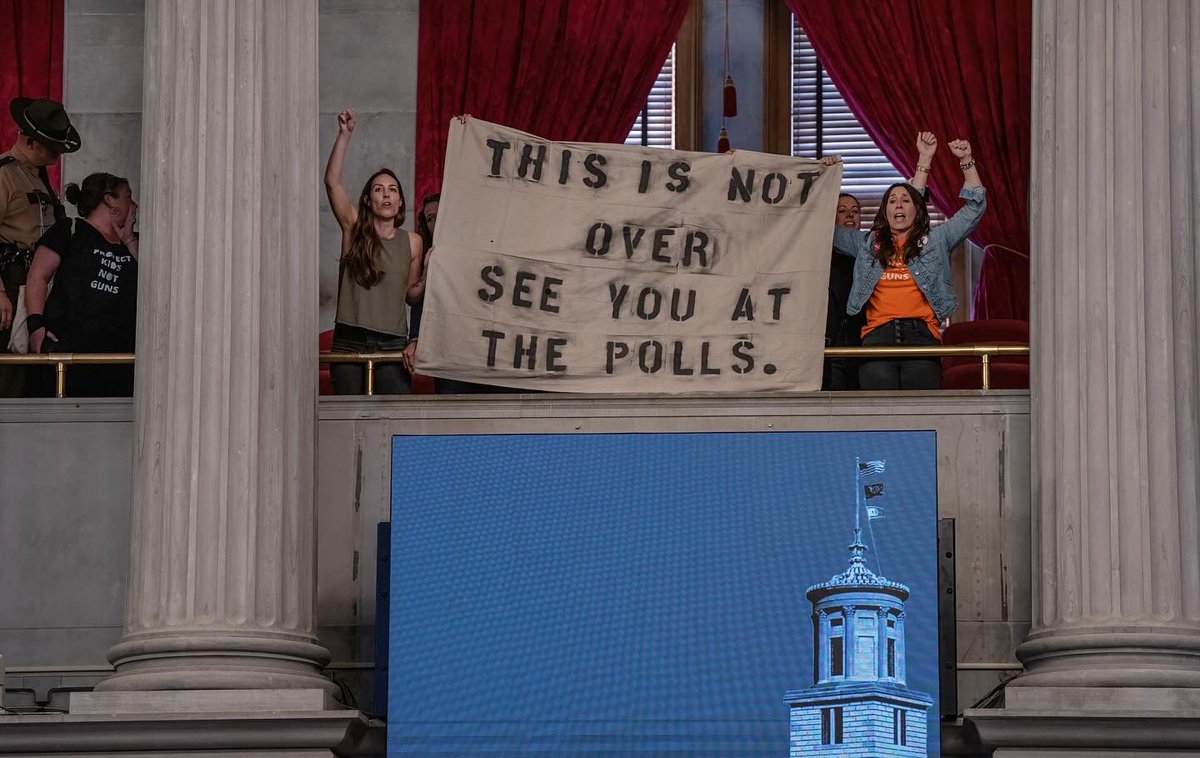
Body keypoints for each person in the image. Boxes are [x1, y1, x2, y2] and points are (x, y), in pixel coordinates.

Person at [828, 134, 985, 390]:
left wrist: (967, 161)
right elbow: (822, 227)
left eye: (905, 200)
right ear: (885, 212)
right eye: (892, 201)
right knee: (881, 419)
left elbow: (974, 209)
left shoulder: (936, 239)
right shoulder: (867, 243)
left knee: (922, 415)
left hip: (922, 337)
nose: (898, 204)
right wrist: (825, 176)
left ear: (917, 209)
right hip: (877, 338)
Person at [324, 108, 423, 395]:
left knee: (391, 421)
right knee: (350, 420)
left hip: (393, 341)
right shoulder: (353, 228)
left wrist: (431, 272)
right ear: (368, 200)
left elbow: (410, 294)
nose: (387, 195)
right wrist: (345, 135)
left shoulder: (413, 241)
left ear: (400, 202)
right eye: (379, 190)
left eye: (393, 190)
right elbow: (332, 183)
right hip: (350, 339)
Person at [24, 172, 138, 397]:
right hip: (71, 352)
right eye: (128, 196)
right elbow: (38, 276)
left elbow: (154, 280)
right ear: (109, 199)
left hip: (121, 359)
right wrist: (35, 326)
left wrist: (129, 241)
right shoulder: (70, 230)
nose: (133, 204)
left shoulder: (134, 242)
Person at [0, 97, 79, 395]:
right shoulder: (5, 175)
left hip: (37, 282)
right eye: (50, 146)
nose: (57, 153)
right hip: (11, 281)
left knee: (29, 373)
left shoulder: (39, 179)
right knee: (10, 370)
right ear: (30, 141)